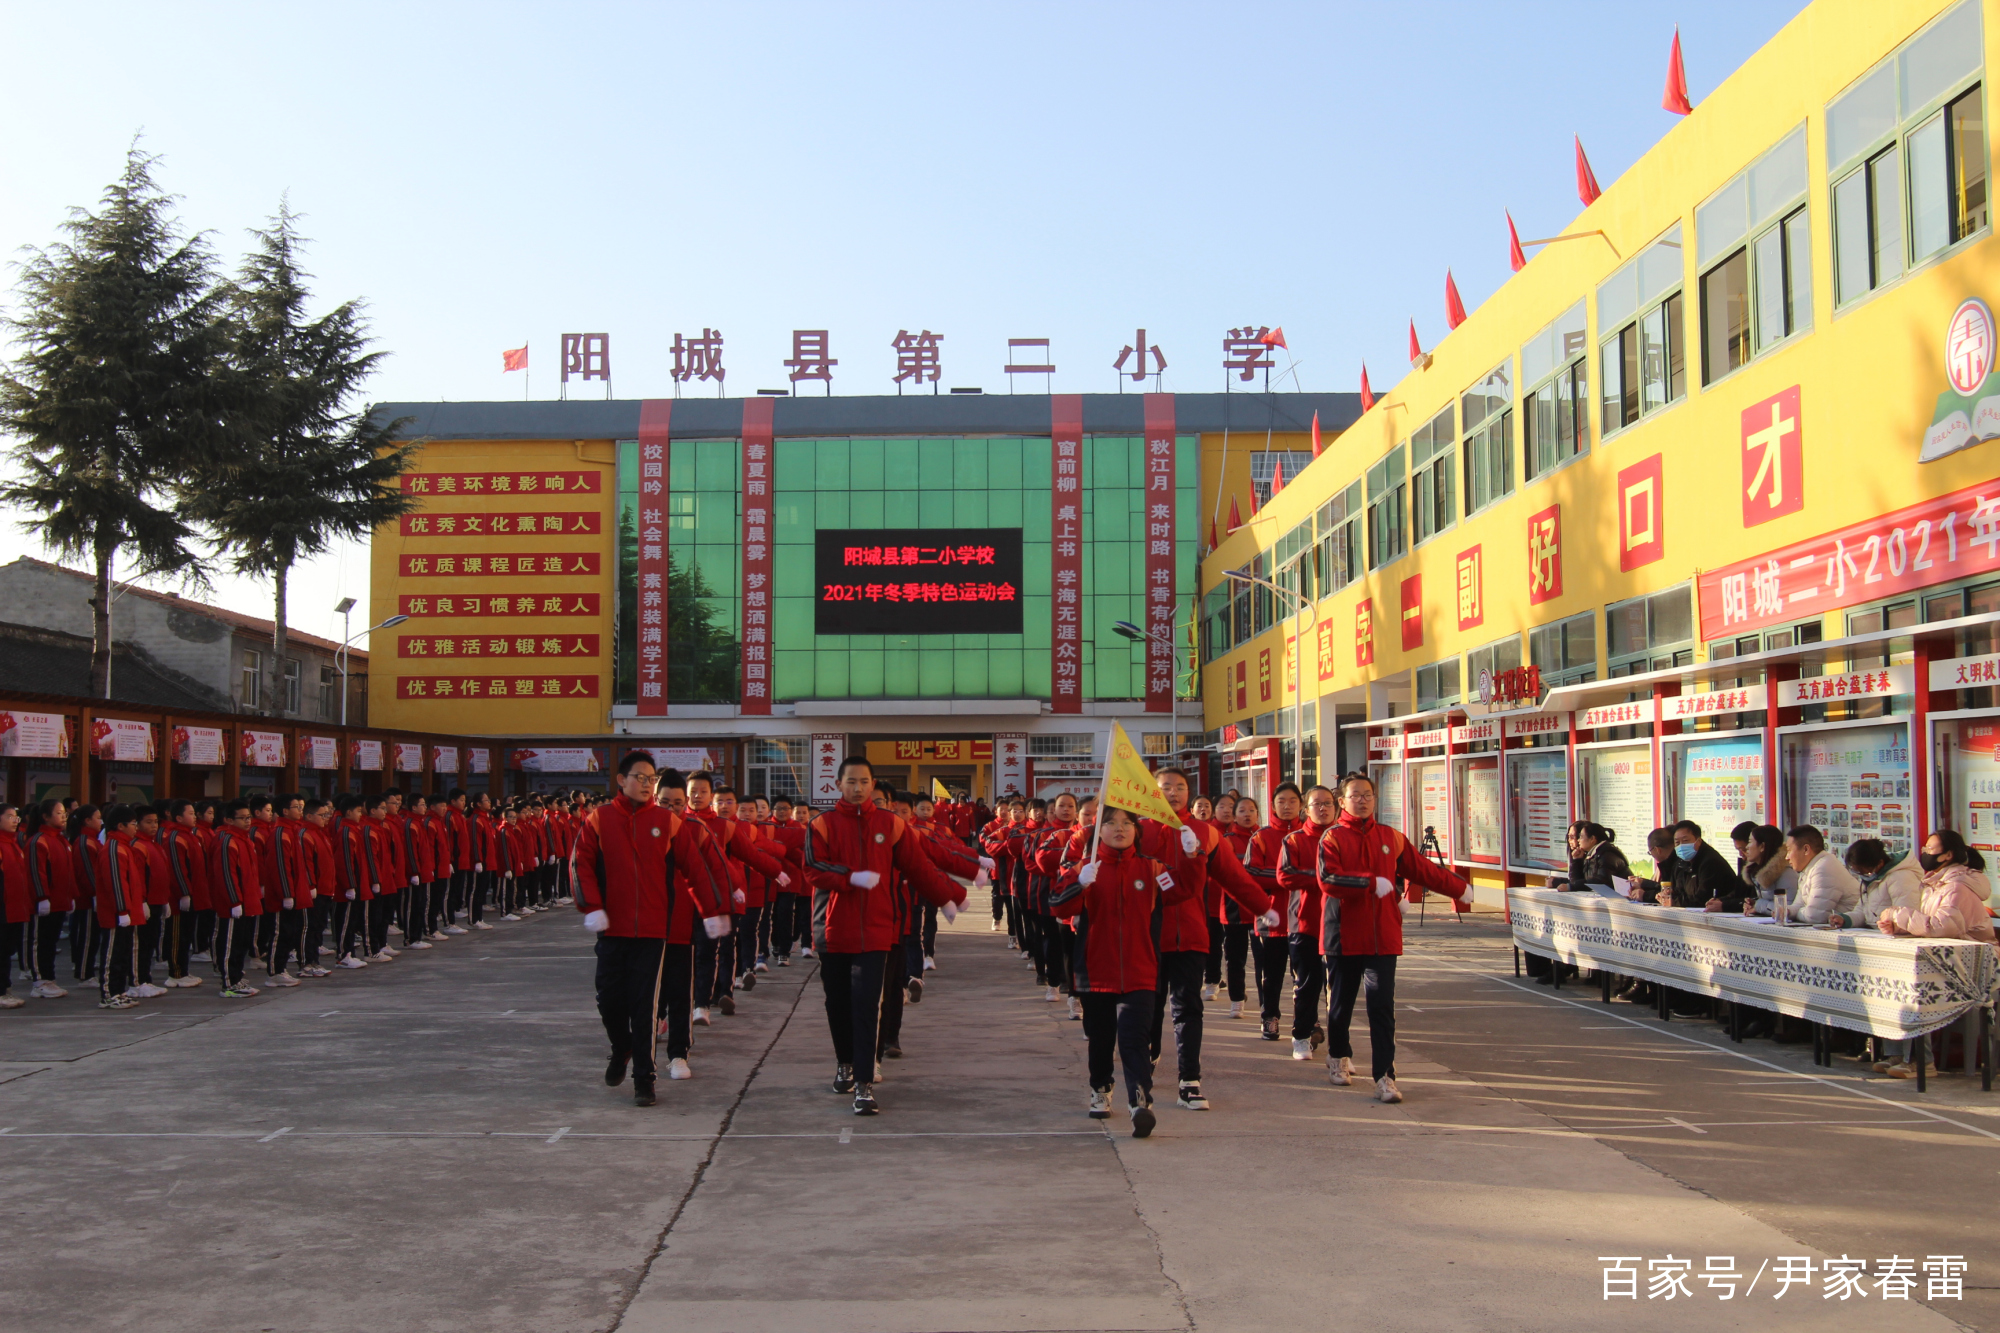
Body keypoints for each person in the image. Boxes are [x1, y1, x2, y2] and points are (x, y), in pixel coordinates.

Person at [802, 755, 967, 1116]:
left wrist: (948, 897)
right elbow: (813, 869)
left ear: (873, 785)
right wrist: (850, 878)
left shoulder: (891, 825)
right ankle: (844, 1063)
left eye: (864, 782)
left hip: (877, 931)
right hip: (832, 929)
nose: (858, 788)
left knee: (867, 1005)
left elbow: (918, 866)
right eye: (851, 782)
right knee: (838, 1004)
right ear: (838, 785)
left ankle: (864, 1082)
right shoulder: (822, 824)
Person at [573, 755, 732, 1104]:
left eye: (650, 779)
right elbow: (580, 863)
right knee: (608, 1000)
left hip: (652, 930)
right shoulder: (599, 819)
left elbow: (695, 869)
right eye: (639, 777)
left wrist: (712, 911)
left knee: (644, 1006)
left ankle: (644, 1079)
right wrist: (593, 906)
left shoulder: (667, 822)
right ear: (620, 779)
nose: (646, 784)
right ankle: (621, 1046)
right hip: (611, 929)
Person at [1309, 773, 1472, 1102]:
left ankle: (1385, 1075)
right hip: (1343, 935)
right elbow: (1328, 880)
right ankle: (1338, 1055)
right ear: (1342, 801)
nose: (1363, 800)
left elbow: (1422, 869)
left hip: (1382, 937)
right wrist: (1368, 883)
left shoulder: (1391, 837)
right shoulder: (1333, 837)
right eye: (1355, 795)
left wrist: (1459, 888)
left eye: (1368, 795)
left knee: (1381, 1008)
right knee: (1340, 1006)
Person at [1052, 805, 1200, 1138]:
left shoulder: (1152, 869)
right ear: (1097, 831)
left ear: (1136, 830)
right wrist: (1079, 884)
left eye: (1127, 823)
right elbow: (1059, 906)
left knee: (1136, 1038)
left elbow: (1182, 890)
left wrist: (1193, 858)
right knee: (1101, 1037)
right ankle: (1101, 1088)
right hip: (1096, 969)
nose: (1120, 829)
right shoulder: (1082, 867)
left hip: (1141, 968)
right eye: (1110, 823)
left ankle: (1139, 1101)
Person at [1136, 768, 1274, 1110]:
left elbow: (1233, 876)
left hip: (1192, 935)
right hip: (1148, 936)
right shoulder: (1138, 831)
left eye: (1180, 787)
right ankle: (1146, 1064)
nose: (1173, 792)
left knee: (1187, 1008)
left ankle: (1189, 1080)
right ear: (1152, 791)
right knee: (1149, 1009)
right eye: (1165, 786)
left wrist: (1263, 907)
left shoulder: (1205, 833)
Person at [1275, 785, 1339, 1046]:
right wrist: (1324, 879)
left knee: (1336, 990)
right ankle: (1301, 1035)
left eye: (1328, 803)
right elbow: (1285, 875)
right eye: (1317, 804)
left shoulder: (1341, 837)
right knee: (1307, 984)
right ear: (1306, 809)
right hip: (1305, 922)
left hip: (1339, 924)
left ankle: (1338, 1046)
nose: (1322, 808)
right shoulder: (1294, 839)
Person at [1880, 829, 1997, 943]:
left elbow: (1941, 927)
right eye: (1924, 848)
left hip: (1973, 957)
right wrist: (1897, 927)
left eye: (1930, 849)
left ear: (1948, 855)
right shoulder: (1935, 885)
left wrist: (1896, 914)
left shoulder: (1956, 887)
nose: (1925, 853)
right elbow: (1930, 925)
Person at [90, 805, 149, 1009]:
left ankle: (119, 990)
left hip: (128, 912)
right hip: (116, 912)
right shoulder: (113, 848)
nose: (135, 828)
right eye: (133, 824)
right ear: (120, 826)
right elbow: (116, 882)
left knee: (122, 954)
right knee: (112, 954)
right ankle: (108, 994)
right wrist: (122, 910)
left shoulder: (125, 847)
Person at [207, 800, 263, 999]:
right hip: (233, 903)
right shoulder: (227, 841)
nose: (248, 822)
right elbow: (226, 874)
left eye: (249, 817)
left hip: (248, 900)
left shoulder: (244, 839)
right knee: (230, 943)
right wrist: (234, 901)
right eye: (243, 818)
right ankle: (229, 983)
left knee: (241, 942)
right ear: (229, 820)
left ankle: (237, 977)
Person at [22, 800, 74, 998]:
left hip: (59, 901)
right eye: (58, 813)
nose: (63, 817)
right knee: (40, 941)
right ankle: (39, 981)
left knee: (51, 942)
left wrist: (71, 897)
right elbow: (36, 872)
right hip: (43, 902)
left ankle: (49, 978)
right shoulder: (38, 840)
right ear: (45, 816)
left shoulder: (61, 840)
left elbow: (68, 872)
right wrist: (42, 897)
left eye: (64, 814)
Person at [1834, 838, 1922, 929]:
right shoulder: (1870, 879)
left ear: (1880, 863)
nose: (1864, 876)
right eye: (1858, 872)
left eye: (1867, 872)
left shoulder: (1901, 877)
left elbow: (1907, 917)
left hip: (1893, 937)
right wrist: (1845, 919)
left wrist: (1891, 926)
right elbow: (1863, 912)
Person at [1783, 825, 1860, 925]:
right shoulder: (1809, 868)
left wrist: (1796, 912)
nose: (1786, 857)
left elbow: (1815, 917)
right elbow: (1799, 904)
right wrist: (1787, 911)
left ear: (1806, 849)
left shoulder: (1824, 868)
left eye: (1789, 850)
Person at [1669, 821, 1743, 911]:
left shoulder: (1710, 862)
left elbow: (1702, 899)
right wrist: (1668, 895)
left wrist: (1674, 901)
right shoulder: (1681, 863)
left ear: (1699, 841)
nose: (1681, 846)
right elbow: (1678, 890)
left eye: (1685, 841)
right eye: (1677, 842)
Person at [0, 805, 27, 1009]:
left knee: (8, 949)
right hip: (3, 907)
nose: (14, 820)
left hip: (15, 907)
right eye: (9, 817)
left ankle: (5, 988)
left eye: (16, 817)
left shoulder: (13, 844)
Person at [1738, 825, 1795, 916]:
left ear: (1762, 846)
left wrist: (1758, 905)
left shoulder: (1785, 872)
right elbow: (1769, 902)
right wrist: (1754, 903)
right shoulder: (1756, 872)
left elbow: (1787, 907)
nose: (1747, 847)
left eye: (1749, 842)